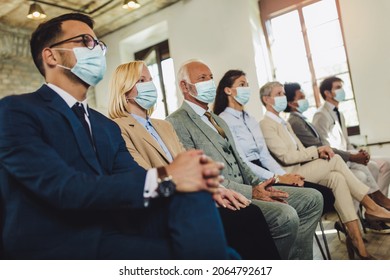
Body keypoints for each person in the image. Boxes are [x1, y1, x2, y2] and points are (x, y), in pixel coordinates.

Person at [0, 13, 232, 260]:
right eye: (85, 42)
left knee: (195, 194)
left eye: (99, 45)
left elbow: (135, 177)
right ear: (52, 55)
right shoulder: (17, 110)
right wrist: (170, 174)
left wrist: (193, 179)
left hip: (118, 227)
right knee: (222, 256)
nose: (97, 50)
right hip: (59, 242)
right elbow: (64, 188)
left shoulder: (106, 126)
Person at [107, 61, 280, 260]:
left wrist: (218, 189)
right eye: (142, 80)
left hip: (195, 193)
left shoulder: (163, 125)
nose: (150, 85)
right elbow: (143, 175)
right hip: (168, 203)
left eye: (151, 80)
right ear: (124, 88)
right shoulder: (117, 128)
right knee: (246, 217)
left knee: (249, 212)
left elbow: (191, 165)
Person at [166, 59, 323, 260]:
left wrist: (263, 185)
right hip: (228, 195)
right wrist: (252, 192)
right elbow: (199, 174)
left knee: (312, 198)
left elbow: (241, 161)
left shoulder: (217, 119)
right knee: (286, 216)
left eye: (211, 77)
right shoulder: (177, 121)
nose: (209, 82)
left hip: (251, 187)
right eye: (202, 78)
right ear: (184, 86)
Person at [259, 81, 390, 259]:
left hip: (303, 168)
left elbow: (299, 152)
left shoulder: (284, 123)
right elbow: (286, 157)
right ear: (267, 99)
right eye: (279, 94)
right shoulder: (266, 124)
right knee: (334, 158)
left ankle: (359, 246)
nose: (283, 97)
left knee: (337, 178)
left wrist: (316, 153)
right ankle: (371, 205)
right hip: (291, 175)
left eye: (283, 93)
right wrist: (317, 151)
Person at [213, 70, 335, 215]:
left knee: (326, 195)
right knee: (317, 196)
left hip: (267, 171)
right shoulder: (223, 119)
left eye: (247, 84)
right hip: (250, 175)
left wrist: (284, 176)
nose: (247, 88)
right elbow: (242, 161)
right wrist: (277, 177)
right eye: (242, 85)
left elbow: (264, 156)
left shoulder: (251, 119)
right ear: (228, 90)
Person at [284, 81, 390, 233]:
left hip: (332, 156)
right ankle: (370, 208)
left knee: (370, 166)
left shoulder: (304, 119)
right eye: (301, 97)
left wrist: (356, 153)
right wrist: (352, 157)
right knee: (359, 172)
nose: (305, 99)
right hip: (322, 162)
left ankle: (369, 213)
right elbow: (320, 146)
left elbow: (336, 143)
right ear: (291, 102)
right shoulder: (301, 120)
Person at [312, 77, 390, 201]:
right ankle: (378, 200)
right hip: (337, 158)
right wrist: (353, 155)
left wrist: (359, 152)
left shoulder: (340, 114)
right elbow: (323, 145)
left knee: (386, 162)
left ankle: (380, 203)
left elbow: (347, 143)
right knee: (373, 167)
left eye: (341, 87)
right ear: (327, 93)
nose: (342, 90)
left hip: (348, 154)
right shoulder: (320, 115)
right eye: (337, 87)